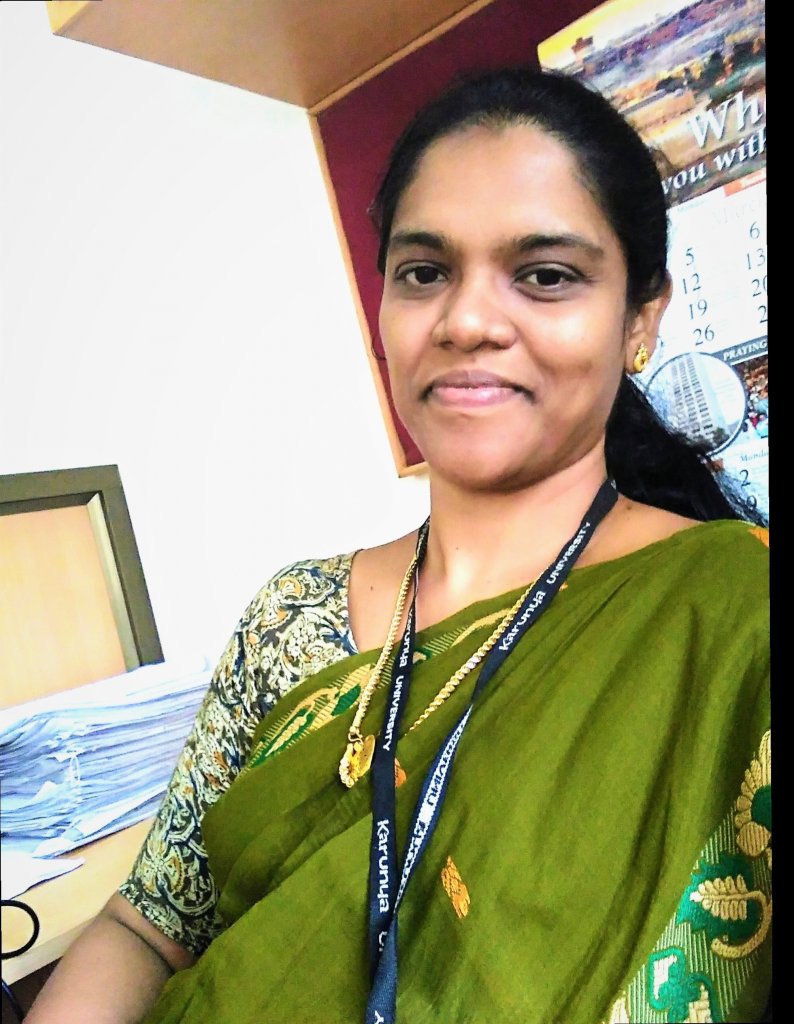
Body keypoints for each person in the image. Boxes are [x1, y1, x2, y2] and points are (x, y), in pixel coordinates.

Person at [26, 67, 770, 1024]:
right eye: (425, 272)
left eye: (545, 275)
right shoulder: (291, 617)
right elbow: (147, 926)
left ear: (640, 318)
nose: (466, 321)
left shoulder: (734, 618)